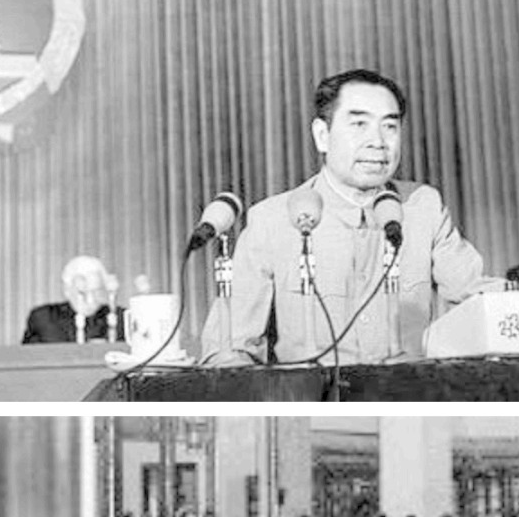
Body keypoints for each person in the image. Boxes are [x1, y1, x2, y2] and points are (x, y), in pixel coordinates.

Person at [200, 68, 486, 365]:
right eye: (359, 124)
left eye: (390, 126)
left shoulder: (423, 206)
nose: (378, 142)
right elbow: (228, 349)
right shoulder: (272, 220)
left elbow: (476, 294)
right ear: (322, 136)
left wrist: (518, 296)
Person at [21, 255, 124, 344]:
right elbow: (27, 355)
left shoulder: (120, 318)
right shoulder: (45, 318)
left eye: (96, 291)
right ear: (67, 290)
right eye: (82, 293)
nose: (90, 300)